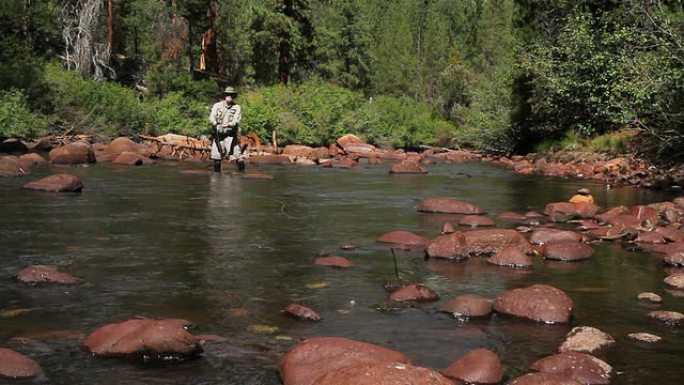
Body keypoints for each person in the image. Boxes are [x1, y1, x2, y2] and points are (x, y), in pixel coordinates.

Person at [210, 86, 244, 172]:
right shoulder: (217, 105)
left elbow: (236, 120)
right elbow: (212, 116)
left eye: (231, 95)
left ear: (233, 96)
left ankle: (242, 174)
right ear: (224, 95)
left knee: (238, 157)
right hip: (218, 135)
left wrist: (229, 124)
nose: (229, 96)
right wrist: (214, 123)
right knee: (216, 157)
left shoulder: (237, 107)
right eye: (228, 94)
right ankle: (216, 177)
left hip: (230, 136)